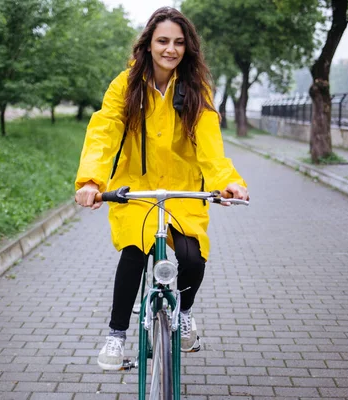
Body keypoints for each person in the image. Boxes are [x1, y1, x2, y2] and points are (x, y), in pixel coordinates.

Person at [74, 7, 249, 371]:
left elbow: (209, 141)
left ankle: (184, 313)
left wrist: (227, 182)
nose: (171, 49)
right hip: (134, 190)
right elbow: (104, 132)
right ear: (148, 44)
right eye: (163, 41)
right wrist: (92, 180)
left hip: (184, 192)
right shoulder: (126, 85)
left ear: (188, 48)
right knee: (135, 252)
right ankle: (115, 337)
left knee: (192, 259)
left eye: (179, 42)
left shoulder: (196, 89)